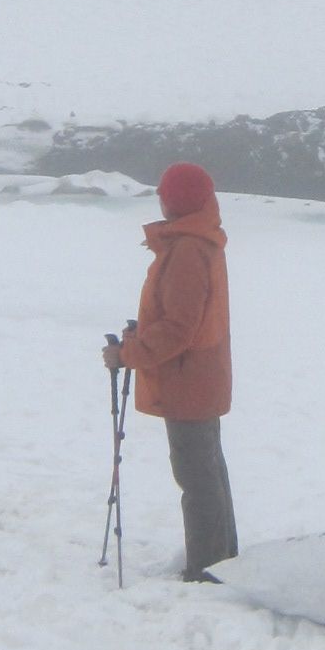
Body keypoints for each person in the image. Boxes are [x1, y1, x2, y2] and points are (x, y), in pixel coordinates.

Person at [104, 161, 237, 580]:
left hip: (188, 381)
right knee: (208, 472)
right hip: (200, 377)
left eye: (164, 193)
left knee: (197, 477)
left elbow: (179, 328)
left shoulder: (187, 250)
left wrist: (129, 353)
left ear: (176, 200)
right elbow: (181, 319)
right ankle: (223, 559)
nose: (159, 199)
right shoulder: (197, 241)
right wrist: (141, 335)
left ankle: (208, 569)